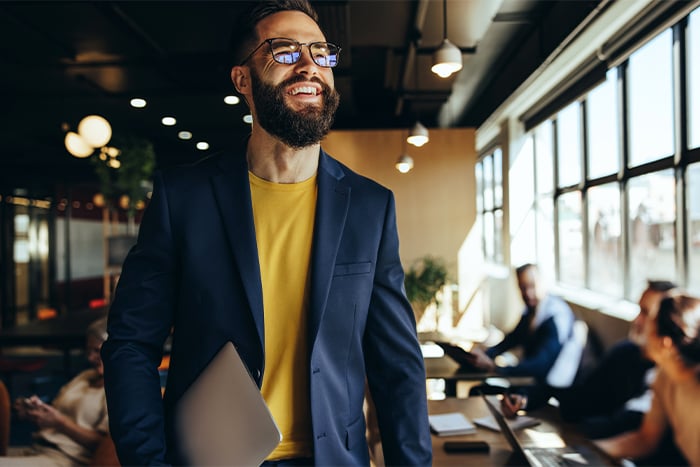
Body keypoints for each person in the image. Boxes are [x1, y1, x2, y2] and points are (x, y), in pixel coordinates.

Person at [100, 1, 432, 465]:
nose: (309, 65)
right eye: (284, 51)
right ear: (242, 80)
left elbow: (397, 365)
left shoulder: (371, 207)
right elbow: (132, 344)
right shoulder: (184, 199)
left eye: (320, 52)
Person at [502, 280, 678, 440]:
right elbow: (581, 395)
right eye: (639, 310)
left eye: (646, 313)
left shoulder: (670, 375)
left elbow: (628, 427)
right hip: (595, 445)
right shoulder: (624, 353)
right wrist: (527, 397)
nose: (637, 320)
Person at [596, 293, 700, 465]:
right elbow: (646, 439)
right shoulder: (665, 376)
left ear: (664, 344)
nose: (643, 331)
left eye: (650, 328)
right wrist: (587, 451)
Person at [6, 317, 109, 467]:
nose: (90, 357)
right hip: (39, 449)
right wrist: (36, 412)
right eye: (88, 351)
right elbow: (56, 412)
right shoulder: (85, 377)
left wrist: (60, 423)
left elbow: (105, 445)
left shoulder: (116, 392)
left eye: (97, 351)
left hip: (67, 459)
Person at [466, 263, 575, 382]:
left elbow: (539, 366)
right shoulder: (531, 310)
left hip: (552, 386)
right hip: (533, 381)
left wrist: (495, 368)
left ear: (543, 283)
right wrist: (484, 354)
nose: (528, 294)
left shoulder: (555, 317)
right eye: (523, 288)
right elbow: (512, 339)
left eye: (532, 286)